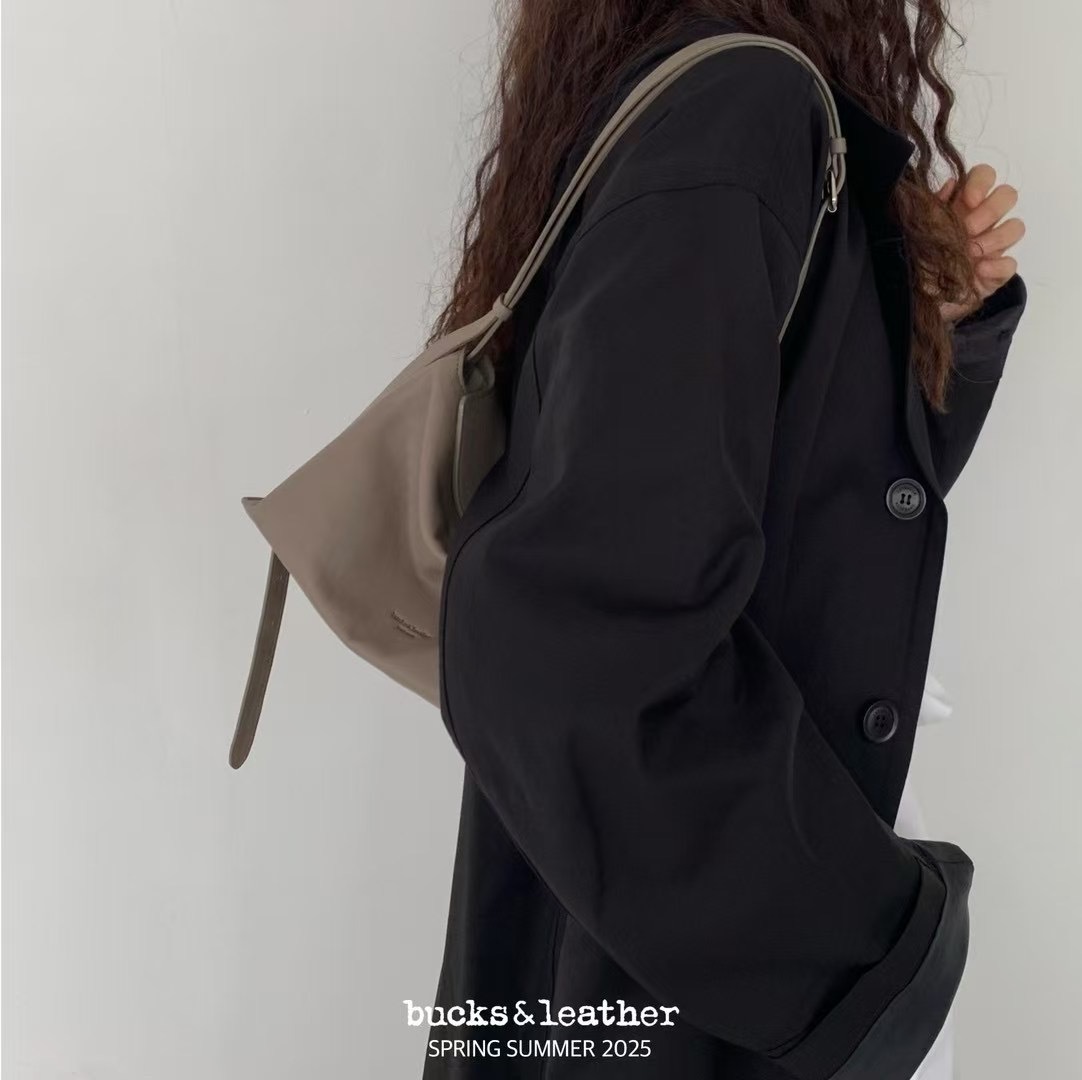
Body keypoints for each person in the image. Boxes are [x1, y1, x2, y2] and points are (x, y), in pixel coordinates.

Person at [427, 4, 1027, 1078]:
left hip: (688, 923)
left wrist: (935, 328)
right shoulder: (738, 112)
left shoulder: (724, 107)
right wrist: (865, 954)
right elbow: (573, 640)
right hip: (725, 961)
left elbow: (820, 504)